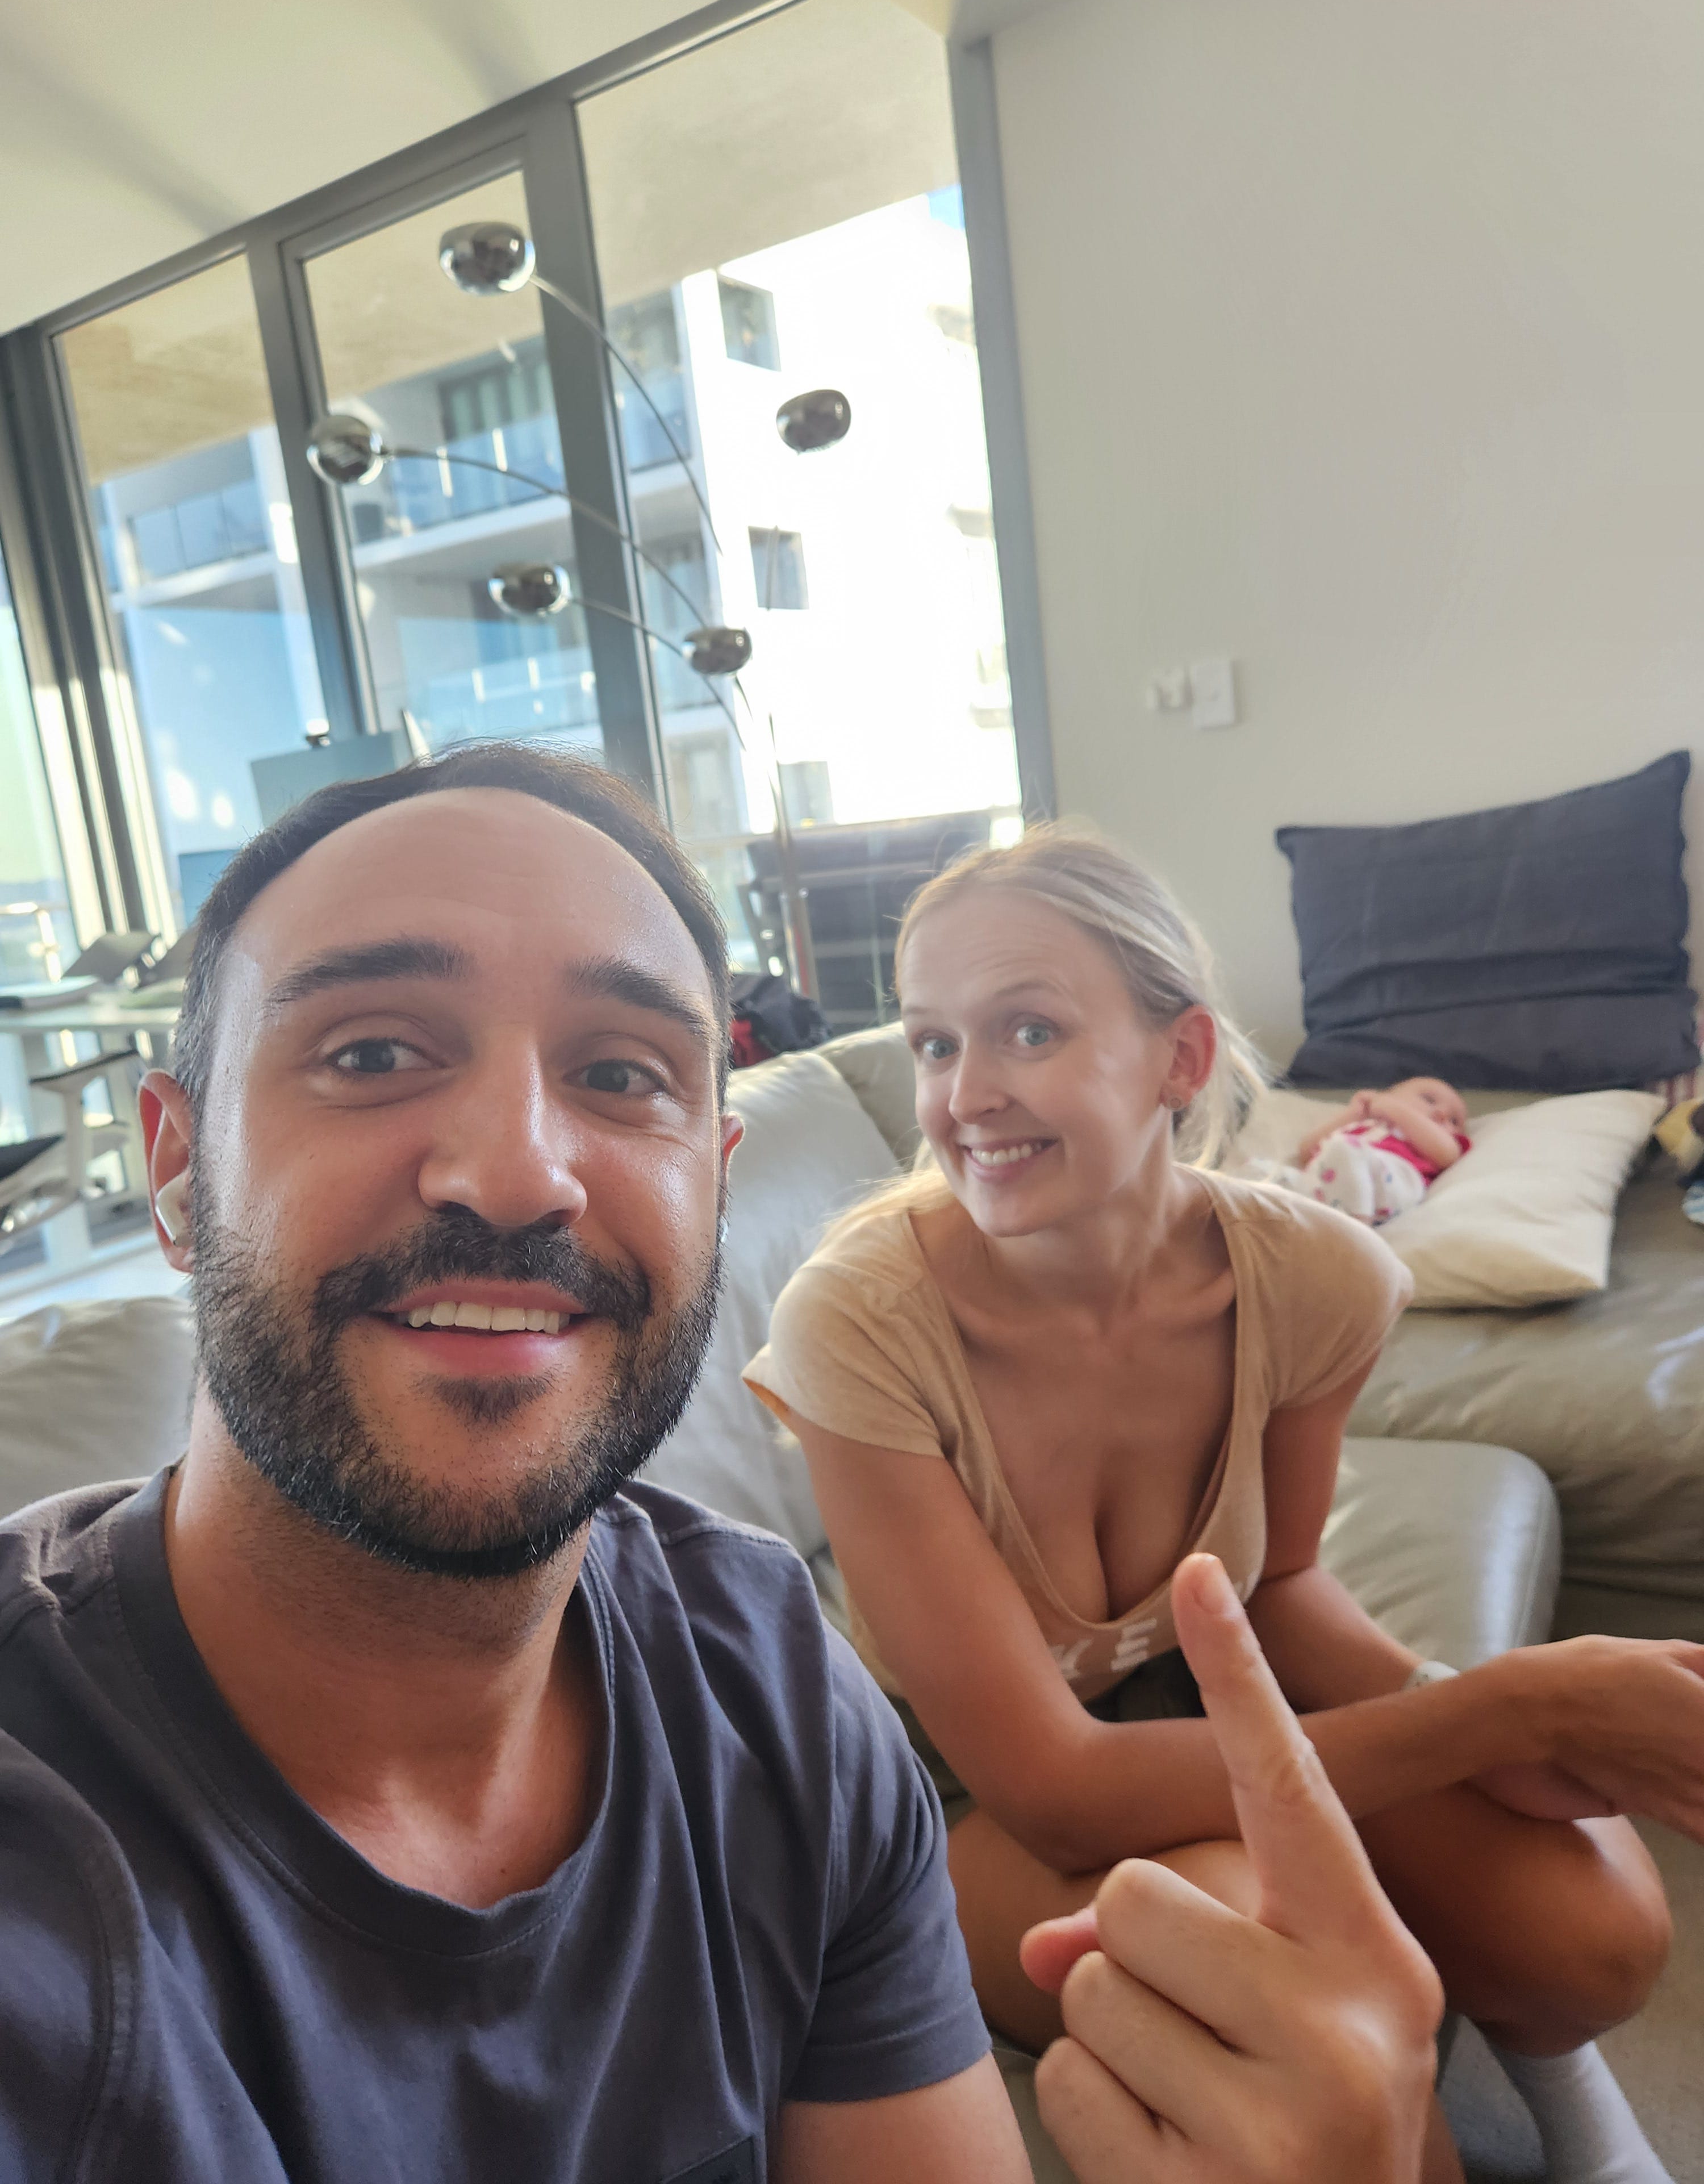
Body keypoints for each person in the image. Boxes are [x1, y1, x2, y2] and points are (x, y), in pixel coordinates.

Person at [0, 748, 1438, 2184]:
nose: (520, 1171)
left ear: (717, 1179)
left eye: (620, 1074)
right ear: (175, 1167)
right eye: (372, 1053)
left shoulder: (775, 1695)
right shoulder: (45, 1861)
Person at [745, 822, 1695, 2184]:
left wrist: (1458, 1729)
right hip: (949, 1797)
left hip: (1194, 1691)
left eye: (1027, 1029)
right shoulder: (857, 1321)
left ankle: (1575, 2116)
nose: (964, 1095)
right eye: (935, 1043)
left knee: (1593, 1926)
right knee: (1270, 1963)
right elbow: (1056, 1792)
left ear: (1179, 1058)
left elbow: (1282, 1586)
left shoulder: (1315, 1276)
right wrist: (1510, 1708)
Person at [1271, 1078, 1471, 1226]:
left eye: (1454, 1121)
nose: (1442, 1113)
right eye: (1429, 1099)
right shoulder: (1361, 1125)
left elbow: (1448, 1155)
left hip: (1391, 1182)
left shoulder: (1434, 1141)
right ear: (1388, 1094)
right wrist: (1351, 1115)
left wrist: (1395, 1110)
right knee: (1271, 1175)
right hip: (1326, 1187)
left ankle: (1356, 1227)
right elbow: (1307, 1152)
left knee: (1345, 1149)